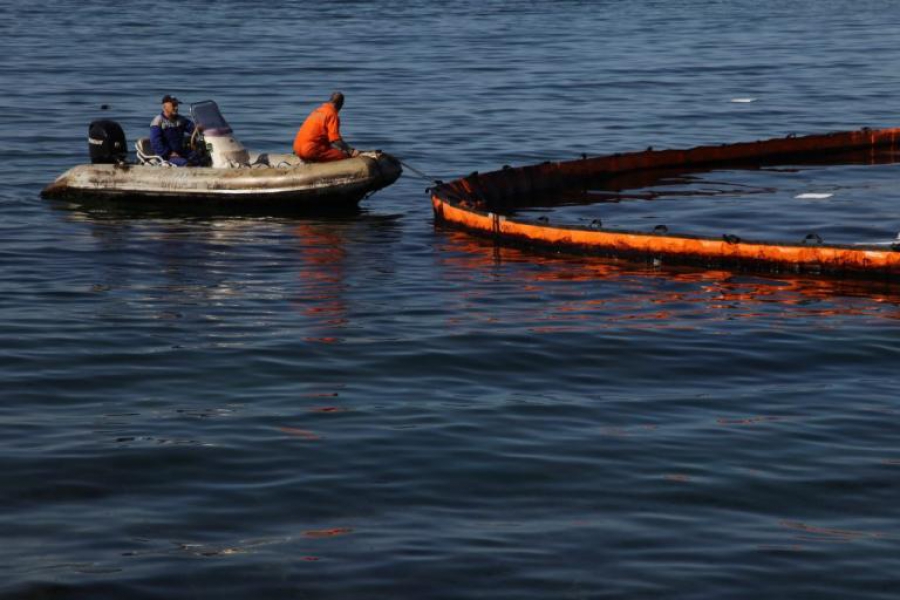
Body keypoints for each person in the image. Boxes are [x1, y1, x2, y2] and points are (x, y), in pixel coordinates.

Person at [293, 92, 360, 162]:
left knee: (330, 149)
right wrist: (350, 150)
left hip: (297, 148)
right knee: (343, 156)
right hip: (310, 150)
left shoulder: (317, 111)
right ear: (340, 104)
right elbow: (335, 140)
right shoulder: (332, 115)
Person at [150, 94, 199, 166]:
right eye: (173, 105)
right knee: (186, 163)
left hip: (180, 152)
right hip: (166, 156)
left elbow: (193, 129)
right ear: (164, 107)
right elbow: (156, 143)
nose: (176, 108)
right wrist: (169, 153)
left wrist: (201, 128)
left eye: (177, 105)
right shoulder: (158, 121)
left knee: (200, 157)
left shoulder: (181, 119)